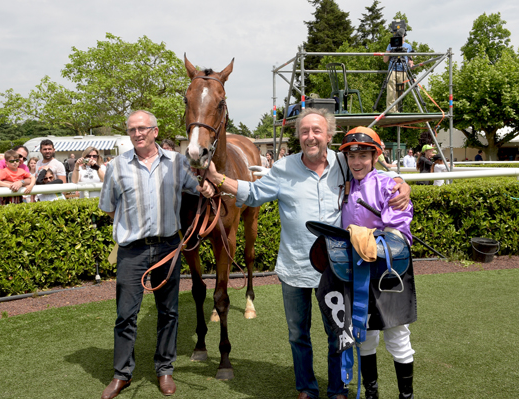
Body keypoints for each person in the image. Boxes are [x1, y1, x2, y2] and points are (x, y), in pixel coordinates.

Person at [201, 108, 411, 399]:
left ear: (328, 135)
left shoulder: (344, 161)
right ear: (297, 135)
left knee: (338, 334)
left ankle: (337, 389)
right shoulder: (283, 168)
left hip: (336, 268)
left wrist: (401, 183)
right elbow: (252, 193)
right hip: (294, 267)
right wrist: (216, 177)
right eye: (304, 131)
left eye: (317, 131)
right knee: (298, 335)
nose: (310, 136)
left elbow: (371, 171)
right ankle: (306, 389)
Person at [98, 110, 214, 399]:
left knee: (169, 313)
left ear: (155, 131)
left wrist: (208, 186)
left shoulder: (177, 163)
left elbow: (197, 188)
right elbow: (109, 206)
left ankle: (165, 370)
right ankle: (122, 374)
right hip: (131, 251)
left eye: (143, 128)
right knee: (125, 315)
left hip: (167, 248)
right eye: (132, 129)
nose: (137, 134)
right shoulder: (117, 166)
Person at [336, 127, 416, 399]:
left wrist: (369, 237)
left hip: (389, 271)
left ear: (375, 155)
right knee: (365, 334)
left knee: (397, 335)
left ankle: (406, 396)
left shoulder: (389, 184)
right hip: (356, 272)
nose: (356, 162)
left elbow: (399, 236)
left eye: (363, 155)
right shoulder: (346, 183)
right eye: (351, 156)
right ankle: (372, 395)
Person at [383, 28, 413, 113]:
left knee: (401, 91)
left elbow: (410, 60)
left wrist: (411, 64)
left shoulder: (408, 46)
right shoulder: (391, 45)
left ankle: (398, 108)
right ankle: (391, 110)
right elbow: (385, 60)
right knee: (391, 89)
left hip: (403, 70)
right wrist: (389, 51)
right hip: (392, 69)